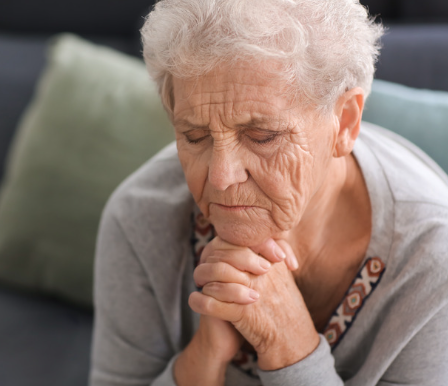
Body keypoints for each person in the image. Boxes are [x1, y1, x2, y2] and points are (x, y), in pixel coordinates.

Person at [89, 0, 448, 385]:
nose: (222, 176)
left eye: (262, 137)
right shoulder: (138, 217)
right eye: (195, 136)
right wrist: (204, 356)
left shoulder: (433, 266)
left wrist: (291, 348)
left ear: (344, 122)